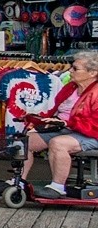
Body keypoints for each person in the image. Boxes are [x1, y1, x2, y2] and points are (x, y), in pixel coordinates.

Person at [22, 51, 98, 200]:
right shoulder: (70, 87)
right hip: (67, 129)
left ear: (93, 73)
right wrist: (38, 119)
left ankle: (58, 187)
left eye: (75, 68)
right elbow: (55, 110)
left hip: (90, 133)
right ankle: (19, 182)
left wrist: (66, 123)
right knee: (25, 140)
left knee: (58, 143)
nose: (69, 70)